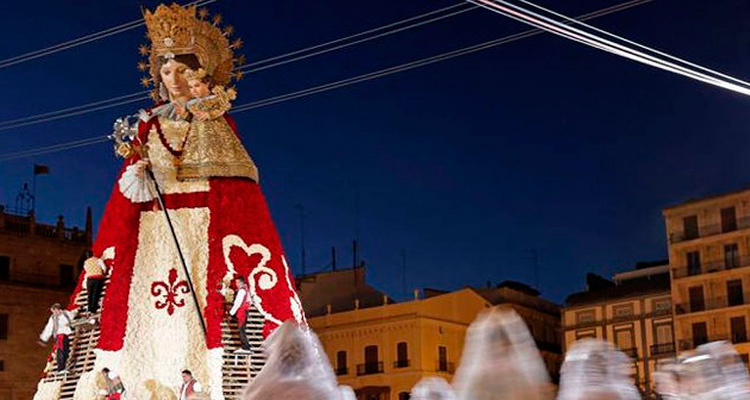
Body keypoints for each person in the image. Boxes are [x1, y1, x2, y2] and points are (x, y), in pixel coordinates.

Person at [37, 4, 306, 398]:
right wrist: (138, 172)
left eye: (182, 69)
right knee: (140, 312)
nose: (173, 78)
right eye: (165, 70)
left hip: (202, 230)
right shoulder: (148, 124)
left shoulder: (212, 121)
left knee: (201, 311)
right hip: (150, 233)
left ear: (199, 73)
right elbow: (126, 196)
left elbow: (235, 191)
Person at [177, 67, 257, 181]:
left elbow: (222, 108)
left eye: (197, 86)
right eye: (191, 87)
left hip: (216, 130)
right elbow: (191, 119)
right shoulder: (191, 104)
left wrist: (209, 115)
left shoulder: (215, 98)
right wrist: (184, 115)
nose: (194, 90)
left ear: (207, 84)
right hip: (198, 135)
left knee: (220, 152)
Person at [38, 303, 77, 374]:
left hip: (66, 335)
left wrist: (76, 312)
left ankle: (63, 366)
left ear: (58, 309)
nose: (54, 313)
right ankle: (61, 368)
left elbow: (73, 316)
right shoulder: (53, 318)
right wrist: (44, 338)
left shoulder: (66, 314)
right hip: (59, 336)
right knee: (61, 350)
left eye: (55, 311)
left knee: (66, 350)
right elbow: (49, 328)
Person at [229, 276, 252, 353]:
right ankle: (246, 346)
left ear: (241, 282)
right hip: (245, 311)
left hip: (242, 312)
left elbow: (237, 303)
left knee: (241, 330)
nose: (236, 284)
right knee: (242, 329)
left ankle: (246, 347)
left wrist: (231, 313)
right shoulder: (246, 290)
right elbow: (249, 301)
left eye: (237, 282)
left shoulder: (242, 291)